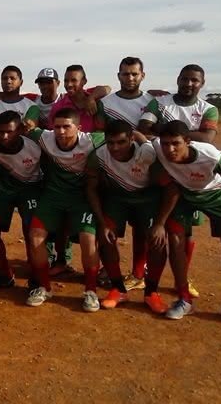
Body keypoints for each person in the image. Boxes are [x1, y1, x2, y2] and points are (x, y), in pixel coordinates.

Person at [151, 120, 221, 326]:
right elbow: (141, 137)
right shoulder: (158, 147)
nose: (170, 149)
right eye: (165, 144)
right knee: (175, 240)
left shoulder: (210, 156)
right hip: (183, 196)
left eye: (176, 143)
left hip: (213, 193)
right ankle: (184, 299)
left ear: (187, 141)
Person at [139, 64, 219, 297]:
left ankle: (182, 279)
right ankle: (143, 276)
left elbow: (207, 138)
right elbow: (144, 126)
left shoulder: (209, 109)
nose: (189, 84)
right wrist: (185, 135)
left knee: (187, 231)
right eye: (185, 79)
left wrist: (165, 131)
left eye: (194, 80)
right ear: (178, 79)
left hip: (192, 174)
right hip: (164, 171)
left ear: (202, 83)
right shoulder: (159, 103)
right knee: (157, 227)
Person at [85, 120, 169, 313]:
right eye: (111, 142)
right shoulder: (99, 155)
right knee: (105, 237)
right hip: (118, 197)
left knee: (158, 241)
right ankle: (118, 289)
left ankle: (151, 292)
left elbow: (169, 187)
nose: (115, 148)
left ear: (131, 139)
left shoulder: (148, 154)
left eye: (121, 142)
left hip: (148, 198)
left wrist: (160, 223)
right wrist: (102, 222)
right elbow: (91, 188)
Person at [26, 108, 104, 312]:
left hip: (82, 198)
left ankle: (91, 291)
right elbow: (21, 130)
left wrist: (143, 141)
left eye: (66, 127)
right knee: (35, 236)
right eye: (57, 127)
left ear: (79, 128)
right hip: (53, 196)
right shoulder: (45, 137)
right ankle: (44, 287)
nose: (60, 132)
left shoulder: (92, 140)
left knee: (88, 239)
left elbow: (126, 135)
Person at [0, 111, 43, 294]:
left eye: (10, 131)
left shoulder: (35, 146)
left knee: (31, 233)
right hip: (4, 190)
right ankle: (5, 275)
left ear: (19, 130)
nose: (5, 136)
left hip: (30, 190)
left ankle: (36, 278)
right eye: (1, 131)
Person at [48, 65, 111, 132]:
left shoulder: (93, 95)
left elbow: (107, 88)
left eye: (74, 80)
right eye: (66, 81)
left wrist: (91, 98)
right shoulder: (58, 107)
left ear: (84, 81)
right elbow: (52, 133)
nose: (69, 84)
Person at [0, 65, 37, 134]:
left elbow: (28, 129)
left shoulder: (31, 106)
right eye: (4, 78)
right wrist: (11, 129)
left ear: (21, 82)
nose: (8, 81)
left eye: (12, 78)